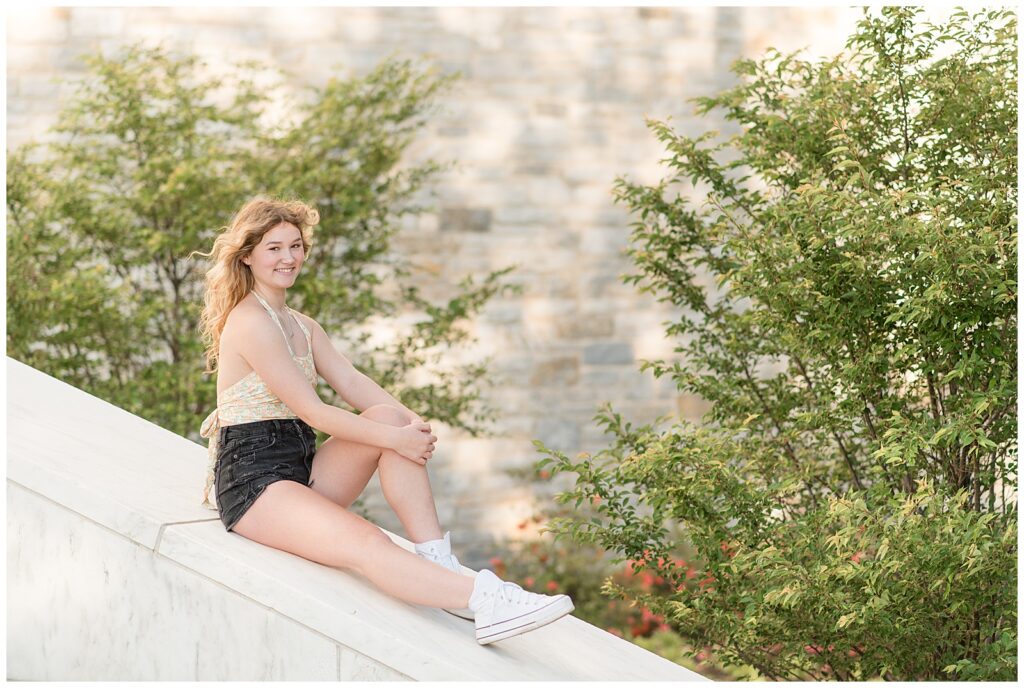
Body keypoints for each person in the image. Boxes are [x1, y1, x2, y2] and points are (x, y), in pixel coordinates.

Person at [193, 196, 573, 645]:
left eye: (295, 246)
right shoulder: (250, 321)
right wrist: (397, 439)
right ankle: (485, 598)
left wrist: (414, 426)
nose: (288, 258)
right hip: (254, 485)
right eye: (274, 248)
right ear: (248, 255)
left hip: (299, 469)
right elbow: (314, 411)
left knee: (390, 418)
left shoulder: (301, 324)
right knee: (367, 541)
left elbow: (352, 383)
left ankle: (437, 559)